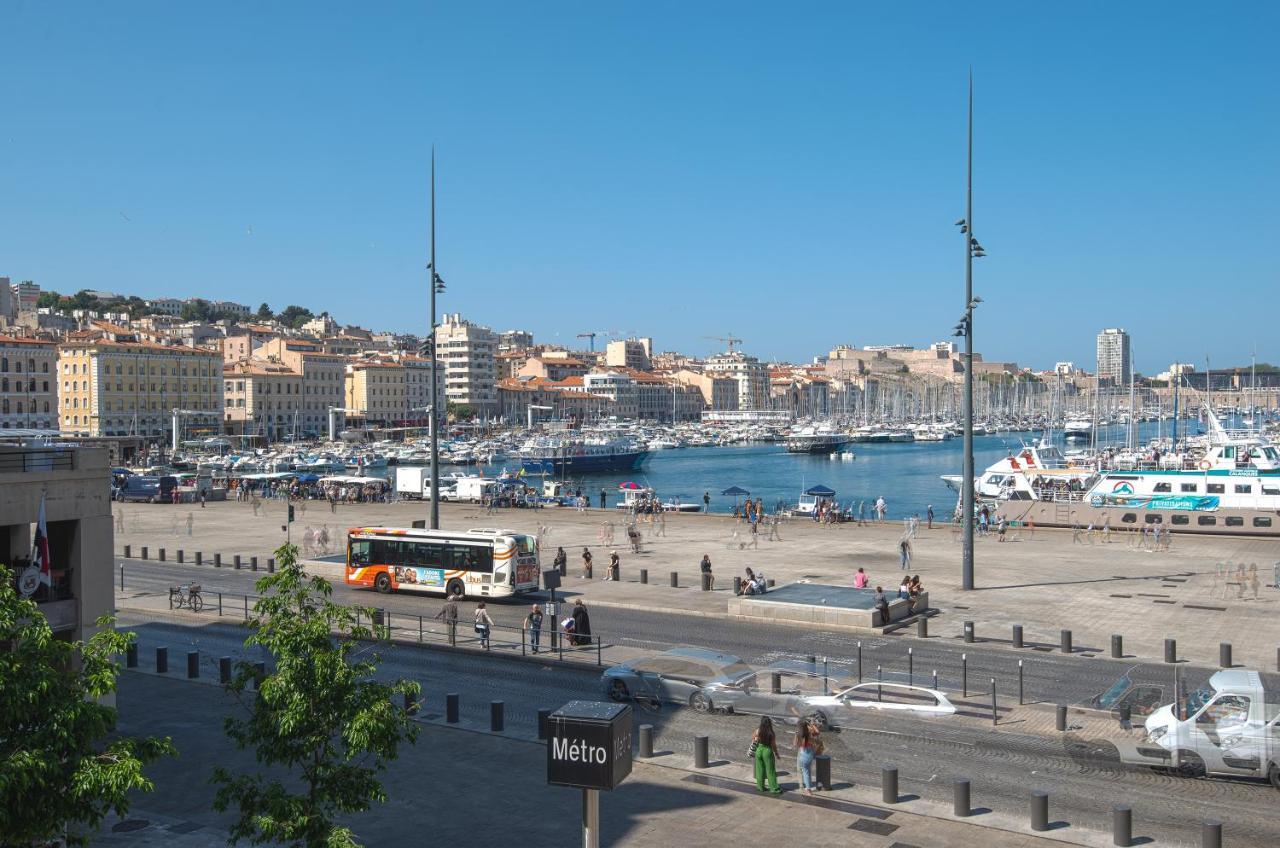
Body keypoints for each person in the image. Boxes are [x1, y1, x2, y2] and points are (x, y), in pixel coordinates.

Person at [752, 717, 781, 794]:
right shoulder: (771, 733)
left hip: (759, 750)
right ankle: (774, 788)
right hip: (767, 750)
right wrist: (776, 753)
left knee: (759, 770)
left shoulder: (758, 730)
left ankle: (760, 787)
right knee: (770, 770)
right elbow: (773, 745)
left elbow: (753, 738)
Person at [795, 718, 819, 795]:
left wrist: (796, 736)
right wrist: (812, 725)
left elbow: (795, 744)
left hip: (802, 754)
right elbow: (817, 732)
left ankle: (806, 789)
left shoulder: (798, 734)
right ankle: (808, 787)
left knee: (803, 771)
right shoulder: (809, 733)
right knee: (807, 771)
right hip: (810, 754)